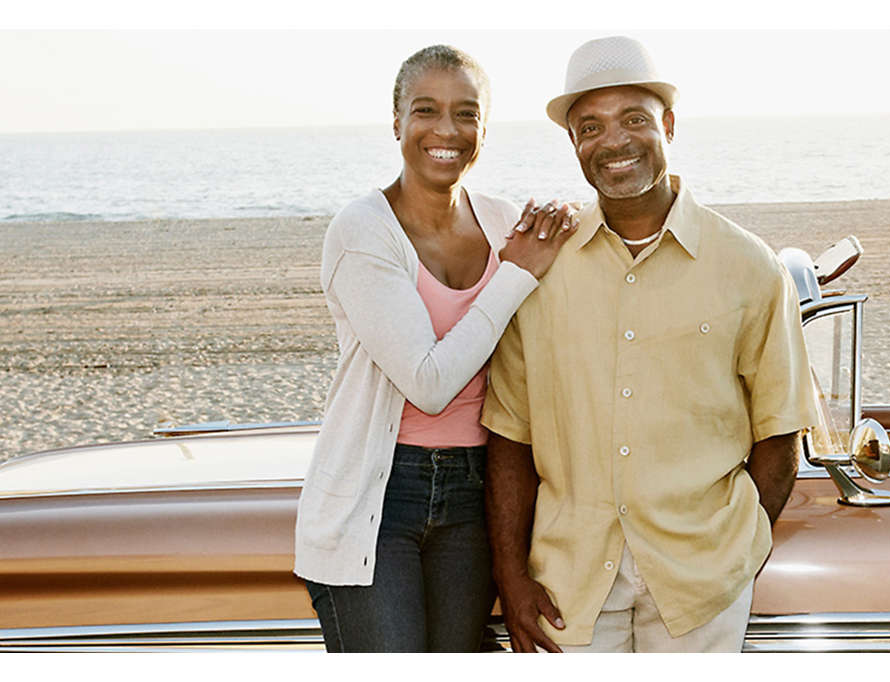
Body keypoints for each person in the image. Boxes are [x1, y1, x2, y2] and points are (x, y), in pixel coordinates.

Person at [482, 36, 818, 653]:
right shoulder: (542, 270)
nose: (613, 141)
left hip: (702, 585)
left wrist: (737, 555)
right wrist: (510, 576)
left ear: (668, 124)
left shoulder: (749, 267)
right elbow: (510, 435)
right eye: (591, 126)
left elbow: (780, 432)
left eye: (633, 119)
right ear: (574, 143)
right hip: (568, 586)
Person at [293, 45, 577, 653]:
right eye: (426, 110)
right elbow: (427, 380)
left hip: (477, 495)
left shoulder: (504, 224)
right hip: (378, 495)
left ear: (483, 128)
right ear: (396, 121)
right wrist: (516, 274)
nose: (446, 130)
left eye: (466, 114)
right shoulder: (363, 230)